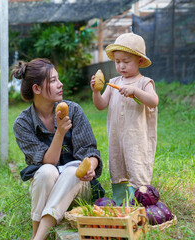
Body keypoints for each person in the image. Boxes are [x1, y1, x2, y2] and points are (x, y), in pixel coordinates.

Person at [12, 58, 103, 240]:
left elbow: (90, 151)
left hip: (77, 189)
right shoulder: (23, 123)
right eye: (53, 81)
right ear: (36, 89)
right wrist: (60, 133)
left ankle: (36, 237)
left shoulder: (74, 110)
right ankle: (39, 233)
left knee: (71, 172)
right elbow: (49, 162)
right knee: (46, 171)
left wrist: (91, 167)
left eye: (58, 79)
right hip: (46, 186)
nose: (60, 84)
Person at [90, 32, 158, 206]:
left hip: (136, 138)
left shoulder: (144, 83)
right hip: (117, 138)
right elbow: (101, 105)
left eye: (126, 62)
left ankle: (140, 203)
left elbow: (154, 101)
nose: (121, 66)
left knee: (136, 166)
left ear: (140, 61)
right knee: (118, 165)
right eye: (117, 61)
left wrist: (135, 91)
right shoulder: (114, 82)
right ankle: (121, 204)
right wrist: (96, 91)